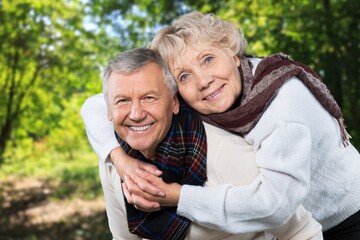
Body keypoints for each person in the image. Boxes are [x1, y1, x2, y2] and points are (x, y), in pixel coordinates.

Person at [121, 11, 360, 239]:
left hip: (346, 218)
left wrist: (178, 196)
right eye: (184, 76)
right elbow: (102, 103)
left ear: (233, 53)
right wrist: (123, 161)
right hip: (291, 229)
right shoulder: (214, 94)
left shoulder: (280, 103)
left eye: (208, 59)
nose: (203, 81)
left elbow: (275, 205)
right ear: (175, 91)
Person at [94, 47, 208, 240]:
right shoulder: (112, 160)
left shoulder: (215, 148)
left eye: (149, 98)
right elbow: (122, 238)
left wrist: (177, 196)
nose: (136, 114)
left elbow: (275, 224)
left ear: (174, 102)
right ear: (109, 111)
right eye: (123, 101)